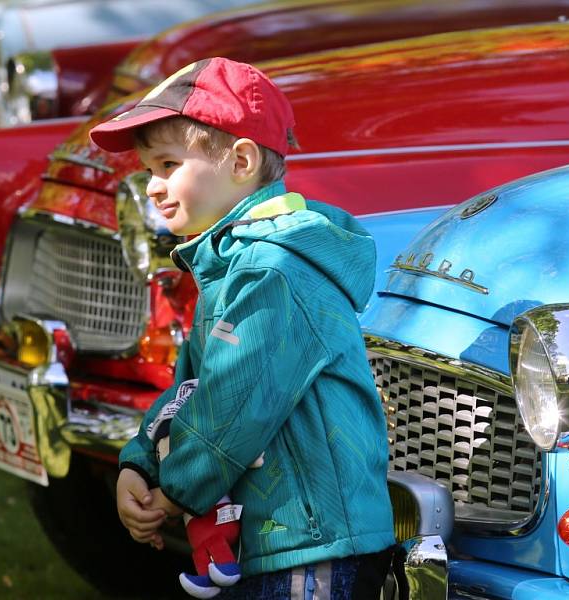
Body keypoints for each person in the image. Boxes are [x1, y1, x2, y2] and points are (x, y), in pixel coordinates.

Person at [89, 57, 395, 599]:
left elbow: (232, 409)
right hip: (274, 540)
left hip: (315, 544)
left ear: (242, 160)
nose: (154, 188)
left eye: (166, 164)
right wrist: (139, 463)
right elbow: (191, 392)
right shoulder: (229, 267)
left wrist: (174, 489)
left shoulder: (273, 272)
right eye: (148, 171)